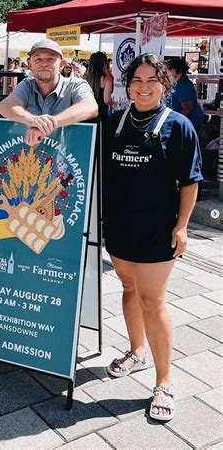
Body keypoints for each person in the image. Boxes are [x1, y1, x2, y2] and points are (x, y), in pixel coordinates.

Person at [102, 53, 202, 422]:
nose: (143, 87)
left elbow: (191, 182)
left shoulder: (178, 126)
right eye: (136, 81)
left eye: (151, 81)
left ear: (165, 85)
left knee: (152, 300)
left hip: (158, 228)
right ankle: (136, 351)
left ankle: (164, 381)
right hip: (119, 225)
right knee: (128, 290)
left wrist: (182, 226)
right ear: (128, 85)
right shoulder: (114, 122)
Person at [0, 39, 98, 146]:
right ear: (30, 65)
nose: (44, 64)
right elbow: (4, 106)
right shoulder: (27, 85)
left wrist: (47, 125)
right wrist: (32, 120)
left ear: (62, 65)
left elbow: (90, 107)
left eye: (50, 59)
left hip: (65, 159)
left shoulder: (76, 85)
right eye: (38, 59)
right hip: (29, 158)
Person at [166, 58, 205, 130]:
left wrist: (177, 125)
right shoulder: (176, 83)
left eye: (170, 68)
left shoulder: (184, 84)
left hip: (190, 123)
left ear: (178, 70)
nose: (167, 70)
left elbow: (187, 108)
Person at [83, 51, 115, 120]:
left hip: (86, 114)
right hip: (100, 115)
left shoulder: (85, 77)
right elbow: (107, 100)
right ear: (104, 63)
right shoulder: (107, 79)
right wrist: (114, 104)